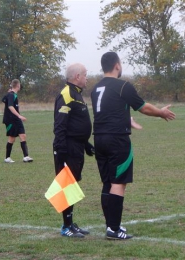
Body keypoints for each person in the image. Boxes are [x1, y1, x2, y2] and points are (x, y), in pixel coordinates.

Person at [91, 52, 176, 240]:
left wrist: (126, 119)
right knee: (118, 183)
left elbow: (109, 110)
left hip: (99, 139)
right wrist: (161, 113)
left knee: (107, 183)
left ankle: (111, 225)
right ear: (117, 66)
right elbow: (143, 107)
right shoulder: (123, 86)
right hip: (117, 140)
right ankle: (113, 229)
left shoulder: (96, 88)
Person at [53, 63, 95, 238]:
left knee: (72, 184)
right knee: (66, 185)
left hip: (76, 146)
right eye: (85, 75)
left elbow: (76, 125)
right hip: (67, 148)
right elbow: (61, 126)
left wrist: (86, 144)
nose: (87, 78)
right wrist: (61, 151)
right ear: (77, 76)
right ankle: (66, 227)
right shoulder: (66, 94)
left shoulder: (76, 94)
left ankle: (70, 224)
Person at [2, 79, 33, 163]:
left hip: (16, 119)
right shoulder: (11, 95)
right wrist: (19, 115)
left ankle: (26, 157)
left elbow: (3, 99)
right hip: (11, 119)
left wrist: (8, 92)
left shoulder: (11, 94)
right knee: (12, 138)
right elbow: (10, 106)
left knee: (23, 135)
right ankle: (7, 158)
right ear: (18, 86)